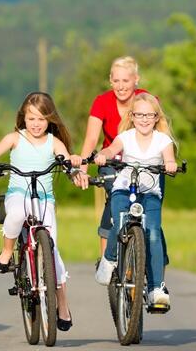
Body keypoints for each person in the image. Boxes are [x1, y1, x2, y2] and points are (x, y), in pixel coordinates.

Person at [0, 92, 82, 332]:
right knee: (14, 215)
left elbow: (67, 161)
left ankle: (62, 306)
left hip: (44, 199)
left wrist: (75, 169)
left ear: (50, 120)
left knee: (53, 252)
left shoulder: (54, 142)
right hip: (18, 194)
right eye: (31, 118)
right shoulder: (15, 137)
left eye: (41, 119)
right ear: (23, 118)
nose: (36, 124)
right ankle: (6, 252)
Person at [93, 93, 177, 306]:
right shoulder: (126, 136)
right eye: (139, 114)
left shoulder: (163, 140)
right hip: (124, 189)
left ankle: (156, 288)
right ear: (132, 116)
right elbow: (112, 149)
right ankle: (109, 260)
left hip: (150, 194)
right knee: (119, 222)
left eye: (149, 115)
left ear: (157, 117)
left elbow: (169, 157)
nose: (144, 119)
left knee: (154, 234)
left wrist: (170, 164)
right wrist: (104, 154)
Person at [74, 56, 154, 256]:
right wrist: (82, 169)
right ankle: (106, 261)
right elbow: (91, 139)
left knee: (145, 203)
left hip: (141, 160)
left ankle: (142, 253)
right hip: (111, 161)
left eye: (125, 81)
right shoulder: (102, 102)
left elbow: (159, 131)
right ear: (110, 80)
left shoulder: (146, 100)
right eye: (116, 81)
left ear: (136, 79)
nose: (120, 86)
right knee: (116, 198)